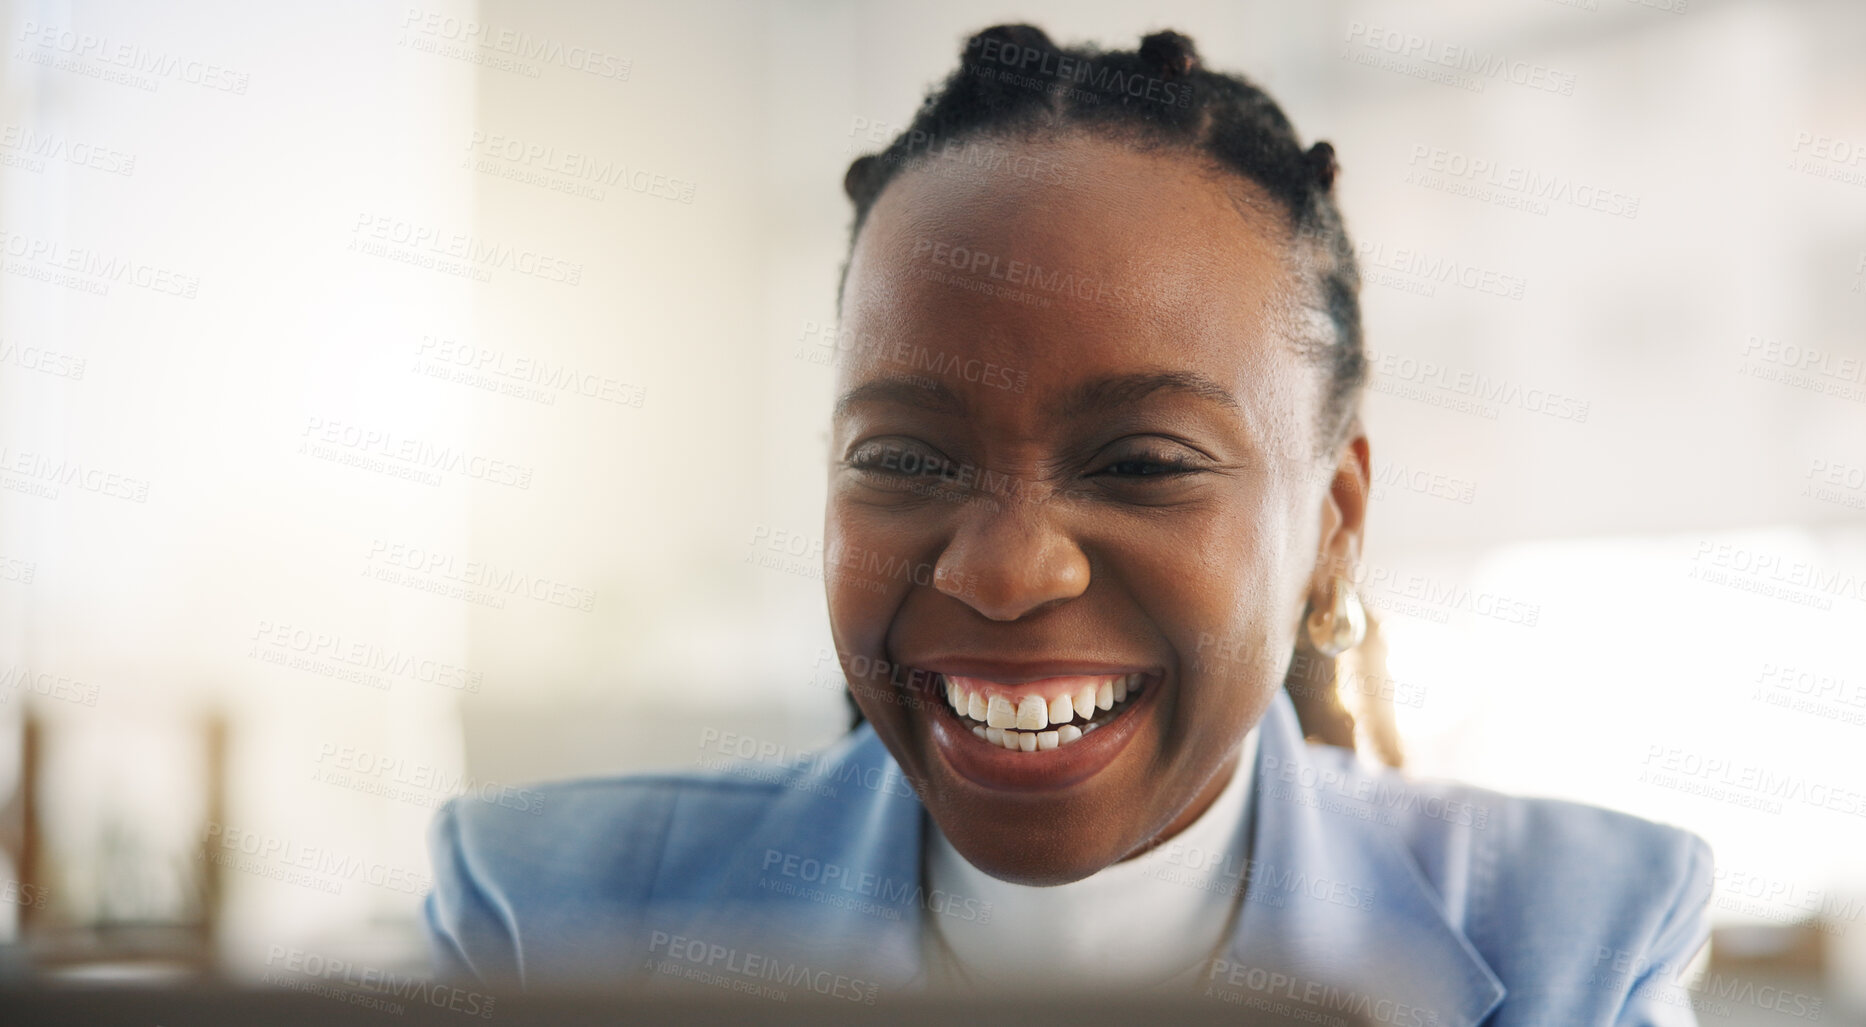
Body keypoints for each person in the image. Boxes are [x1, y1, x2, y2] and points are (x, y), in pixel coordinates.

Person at [424, 25, 1713, 1025]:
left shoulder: (1580, 939)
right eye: (905, 456)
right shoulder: (542, 908)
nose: (1004, 568)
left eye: (1144, 461)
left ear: (1332, 527)